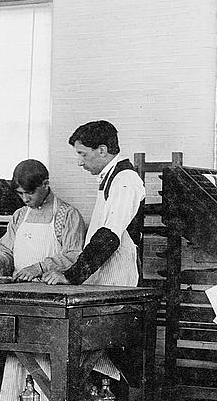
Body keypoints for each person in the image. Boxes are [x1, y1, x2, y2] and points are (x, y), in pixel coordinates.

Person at [0, 159, 87, 401]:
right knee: (20, 349)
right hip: (23, 298)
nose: (24, 199)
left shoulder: (68, 215)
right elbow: (6, 248)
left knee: (46, 353)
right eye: (19, 194)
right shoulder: (20, 216)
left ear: (45, 184)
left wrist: (40, 267)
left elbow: (74, 254)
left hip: (52, 301)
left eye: (29, 193)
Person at [42, 120, 145, 287]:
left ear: (102, 150)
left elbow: (109, 236)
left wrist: (72, 276)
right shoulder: (110, 178)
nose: (79, 162)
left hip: (117, 277)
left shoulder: (125, 179)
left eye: (83, 154)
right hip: (104, 277)